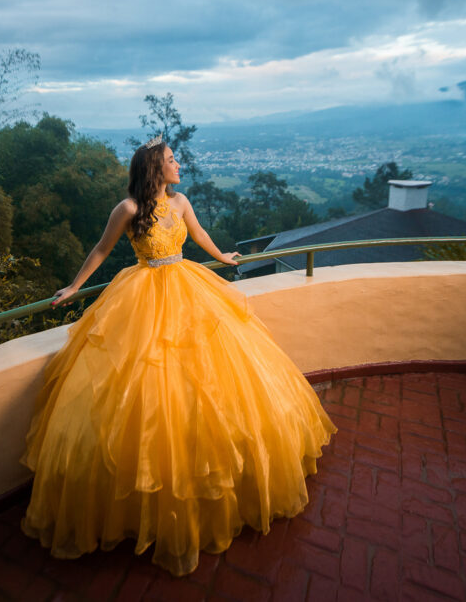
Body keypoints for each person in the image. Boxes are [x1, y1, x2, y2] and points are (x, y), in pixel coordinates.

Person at [20, 134, 337, 576]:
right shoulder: (128, 210)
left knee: (208, 377)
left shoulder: (182, 201)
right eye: (171, 160)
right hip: (145, 294)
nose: (178, 165)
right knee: (150, 386)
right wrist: (74, 287)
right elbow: (101, 249)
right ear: (155, 169)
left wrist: (222, 256)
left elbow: (201, 232)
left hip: (188, 287)